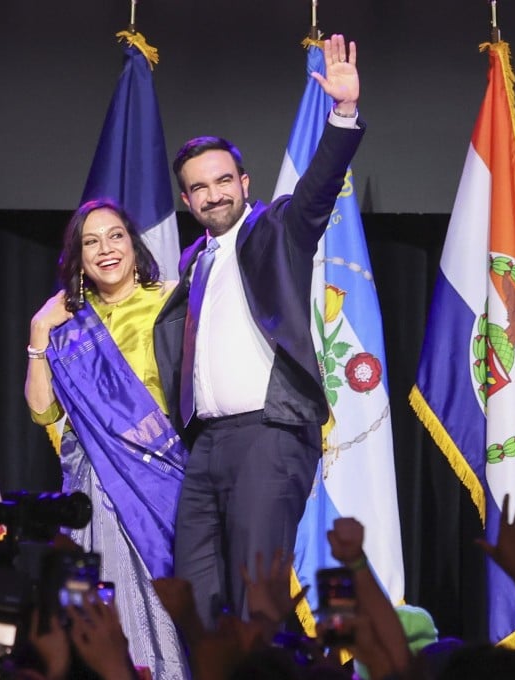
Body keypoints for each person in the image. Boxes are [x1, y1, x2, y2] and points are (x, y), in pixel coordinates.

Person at [153, 33, 364, 628]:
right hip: (206, 445)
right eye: (199, 187)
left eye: (223, 181)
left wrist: (343, 113)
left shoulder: (278, 231)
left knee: (256, 596)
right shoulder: (193, 262)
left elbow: (319, 188)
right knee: (192, 596)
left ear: (244, 184)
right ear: (187, 200)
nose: (213, 193)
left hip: (269, 437)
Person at [25, 198, 190, 679]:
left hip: (160, 477)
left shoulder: (173, 301)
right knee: (101, 586)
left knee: (162, 589)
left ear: (134, 246)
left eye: (115, 235)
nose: (105, 249)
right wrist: (38, 335)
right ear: (78, 257)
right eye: (90, 241)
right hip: (92, 476)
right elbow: (42, 412)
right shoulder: (67, 322)